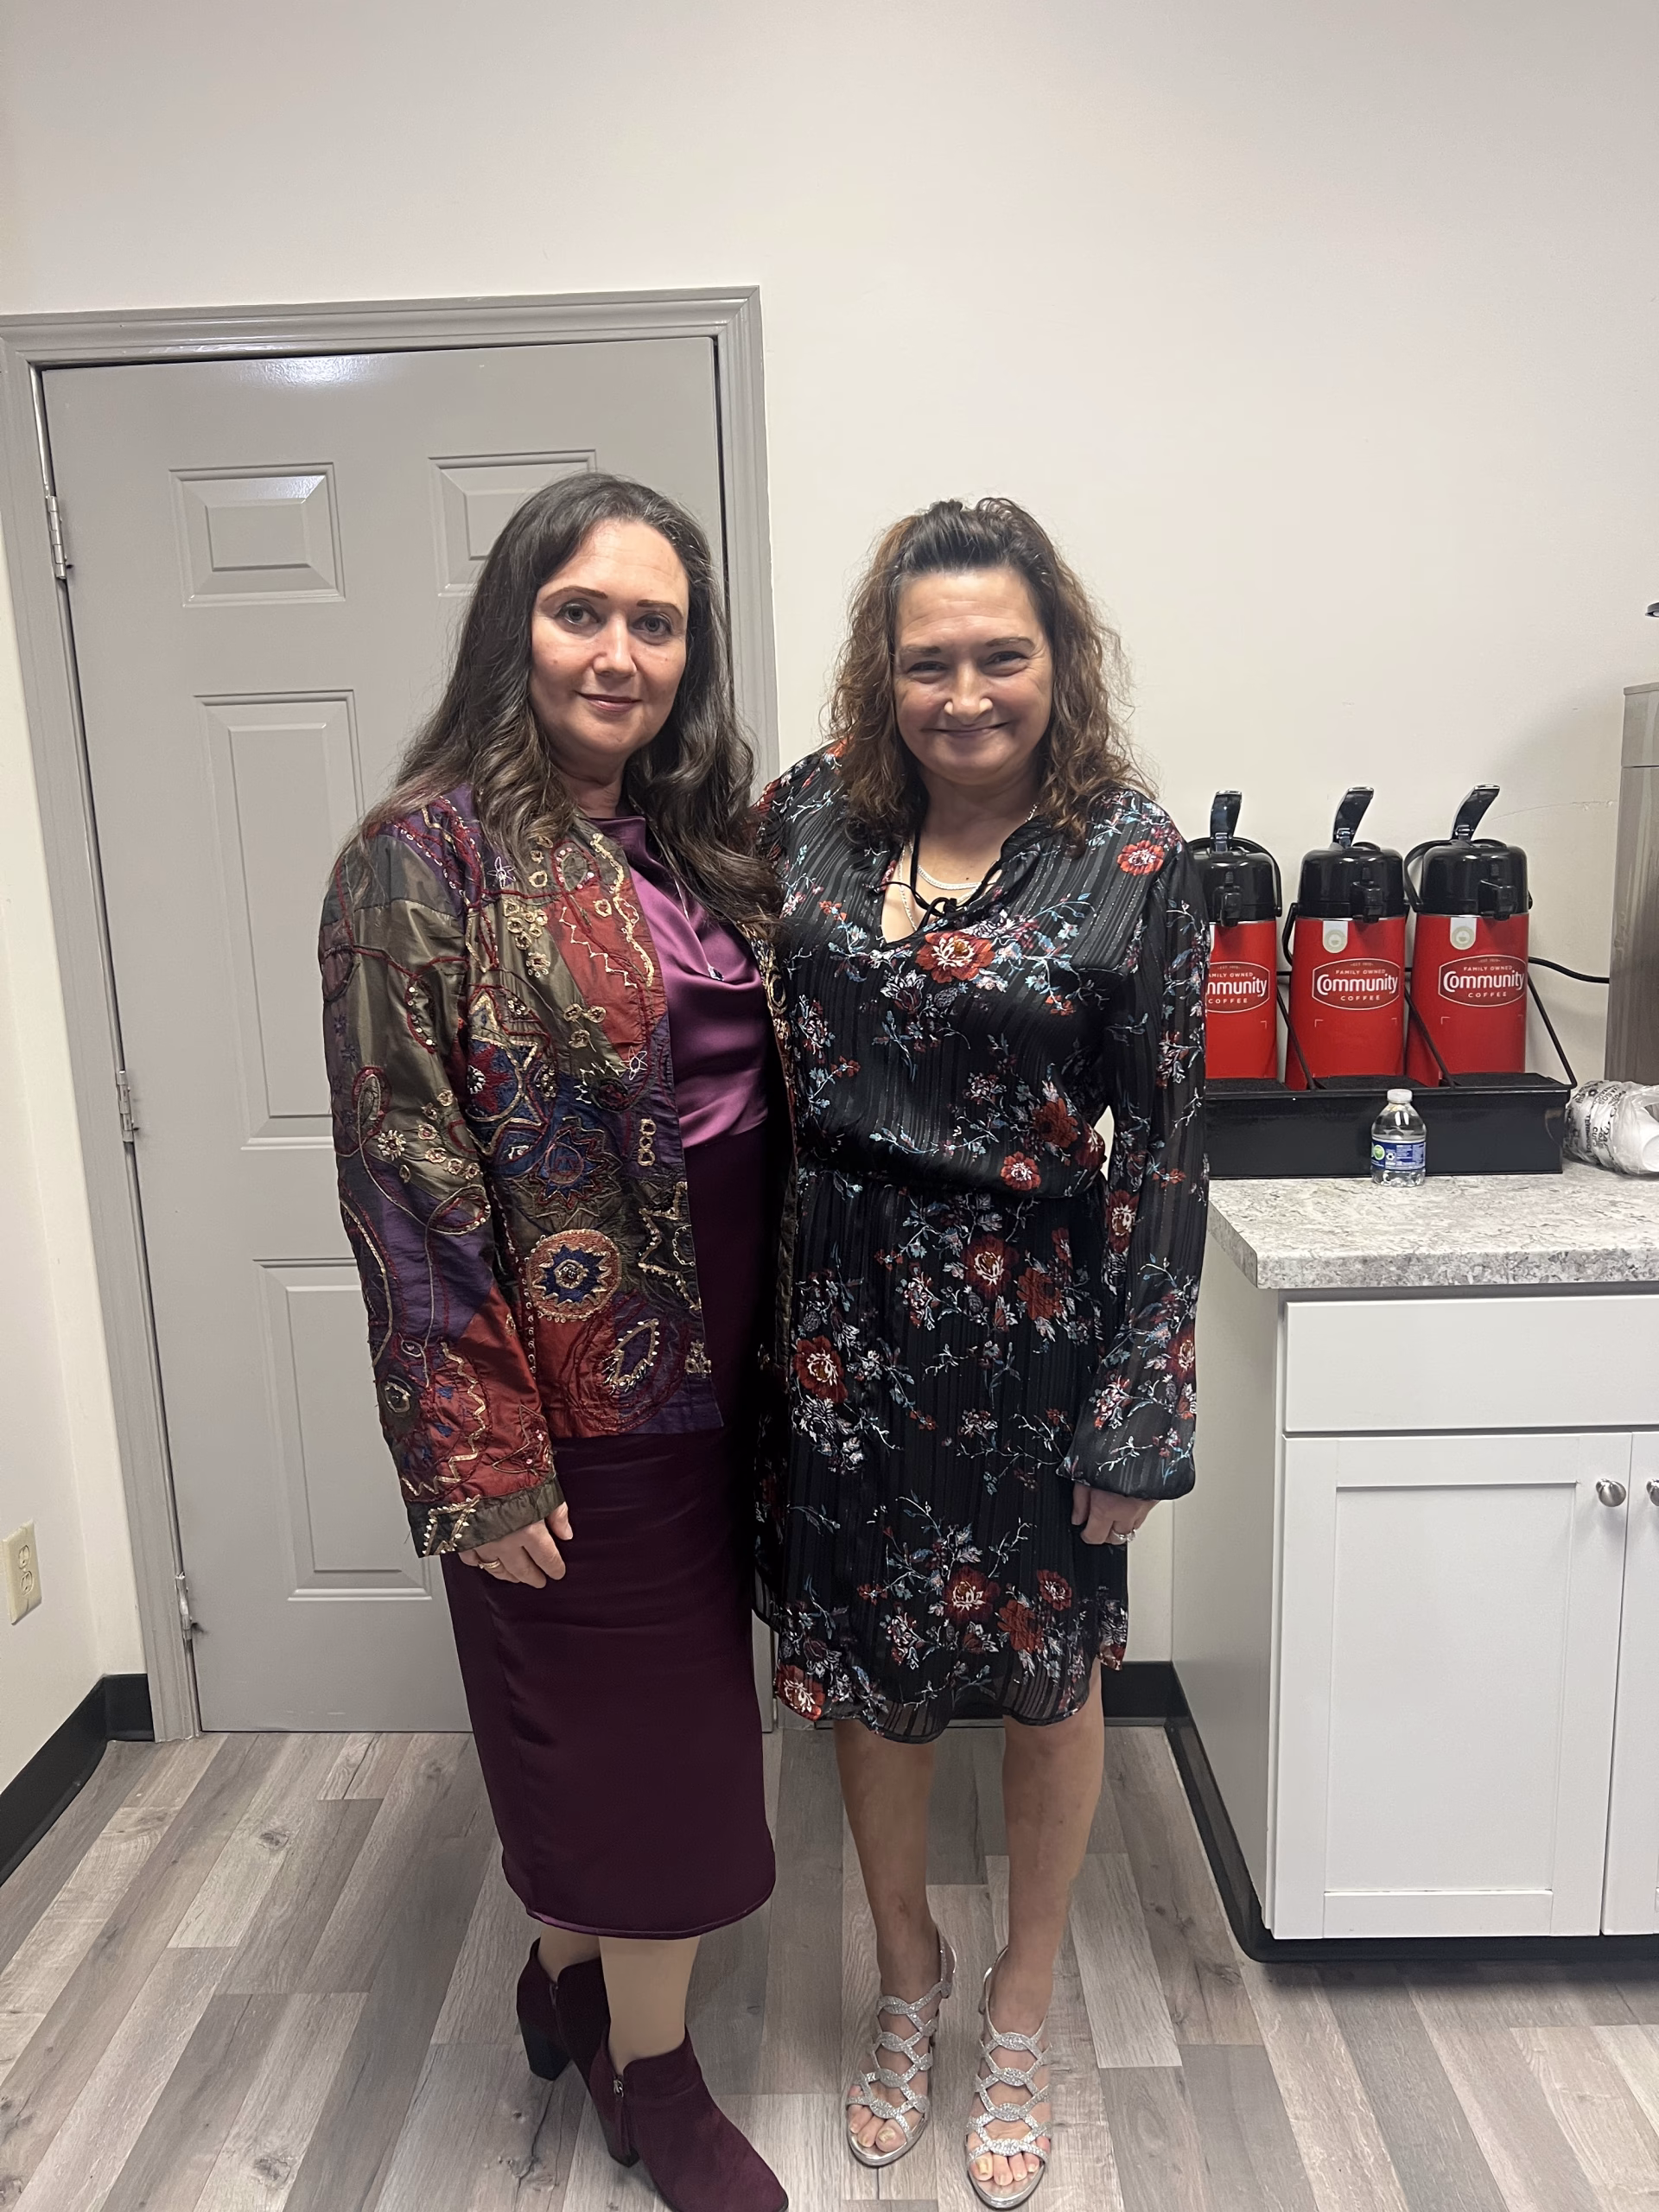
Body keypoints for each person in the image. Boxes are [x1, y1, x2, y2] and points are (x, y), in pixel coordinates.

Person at [321, 474, 789, 2212]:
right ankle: (659, 2078)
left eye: (655, 622)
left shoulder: (706, 843)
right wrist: (477, 1453)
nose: (618, 652)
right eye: (580, 610)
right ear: (512, 622)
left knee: (603, 1732)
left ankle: (570, 1986)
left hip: (733, 1372)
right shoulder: (422, 855)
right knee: (656, 1752)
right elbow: (404, 1167)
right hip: (569, 1399)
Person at [756, 498, 1208, 2208]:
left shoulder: (1133, 858)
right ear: (882, 671)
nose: (964, 694)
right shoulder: (806, 814)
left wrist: (1141, 1404)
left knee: (1048, 1680)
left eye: (999, 655)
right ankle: (908, 1980)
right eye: (927, 659)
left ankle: (1018, 2008)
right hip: (837, 1326)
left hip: (1034, 1333)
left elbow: (1168, 1147)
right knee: (872, 1676)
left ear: (1058, 658)